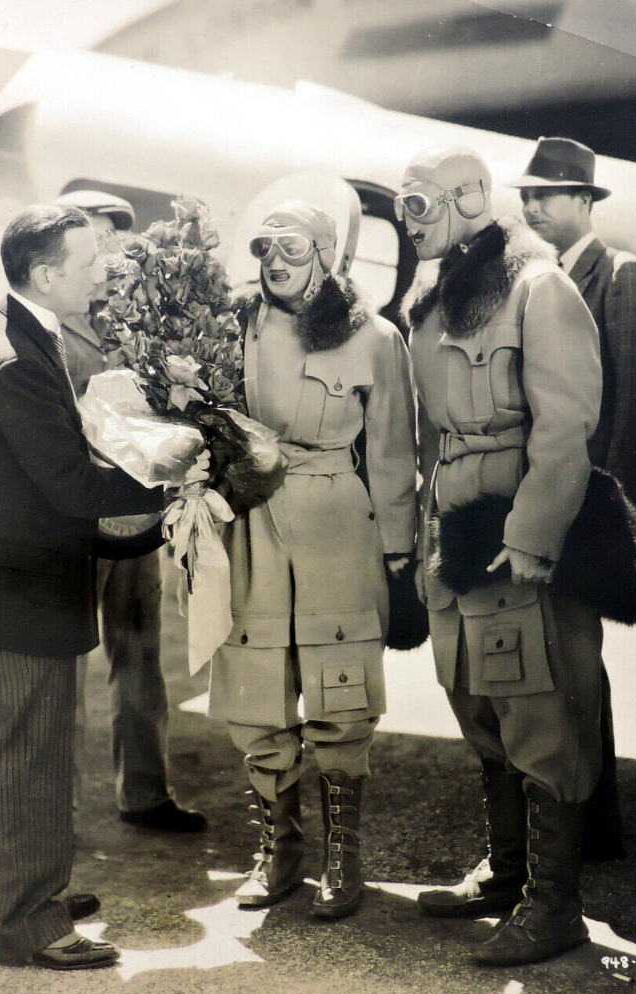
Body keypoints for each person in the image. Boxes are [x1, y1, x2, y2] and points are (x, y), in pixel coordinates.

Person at [0, 206, 204, 970]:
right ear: (47, 274)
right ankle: (28, 924)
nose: (103, 272)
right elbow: (70, 482)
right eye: (89, 263)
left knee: (21, 754)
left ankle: (20, 891)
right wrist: (177, 476)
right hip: (18, 595)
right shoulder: (17, 360)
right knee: (29, 759)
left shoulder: (1, 333)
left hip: (2, 585)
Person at [401, 145, 603, 965]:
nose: (406, 219)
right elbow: (426, 434)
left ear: (471, 199)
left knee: (539, 715)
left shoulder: (537, 289)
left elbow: (565, 429)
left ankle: (553, 908)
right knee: (476, 701)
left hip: (515, 535)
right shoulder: (430, 299)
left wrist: (530, 538)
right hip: (453, 532)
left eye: (420, 204)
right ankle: (507, 873)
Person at [209, 198, 417, 918]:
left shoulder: (376, 337)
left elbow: (392, 452)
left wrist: (398, 555)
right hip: (252, 513)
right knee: (258, 682)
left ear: (327, 258)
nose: (273, 265)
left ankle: (342, 859)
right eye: (263, 249)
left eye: (290, 250)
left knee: (340, 692)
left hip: (336, 521)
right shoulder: (232, 326)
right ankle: (279, 854)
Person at [510, 136, 636, 862]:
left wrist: (607, 525)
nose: (531, 206)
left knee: (575, 667)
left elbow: (634, 417)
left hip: (589, 513)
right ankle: (573, 817)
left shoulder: (622, 278)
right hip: (545, 507)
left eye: (546, 194)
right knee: (552, 669)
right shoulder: (539, 282)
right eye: (526, 195)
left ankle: (593, 826)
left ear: (584, 200)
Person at [54, 189, 205, 833]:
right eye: (92, 237)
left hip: (134, 514)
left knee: (140, 654)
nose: (105, 250)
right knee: (57, 671)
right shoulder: (46, 325)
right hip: (70, 520)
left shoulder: (133, 321)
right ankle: (50, 819)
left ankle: (144, 793)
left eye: (114, 238)